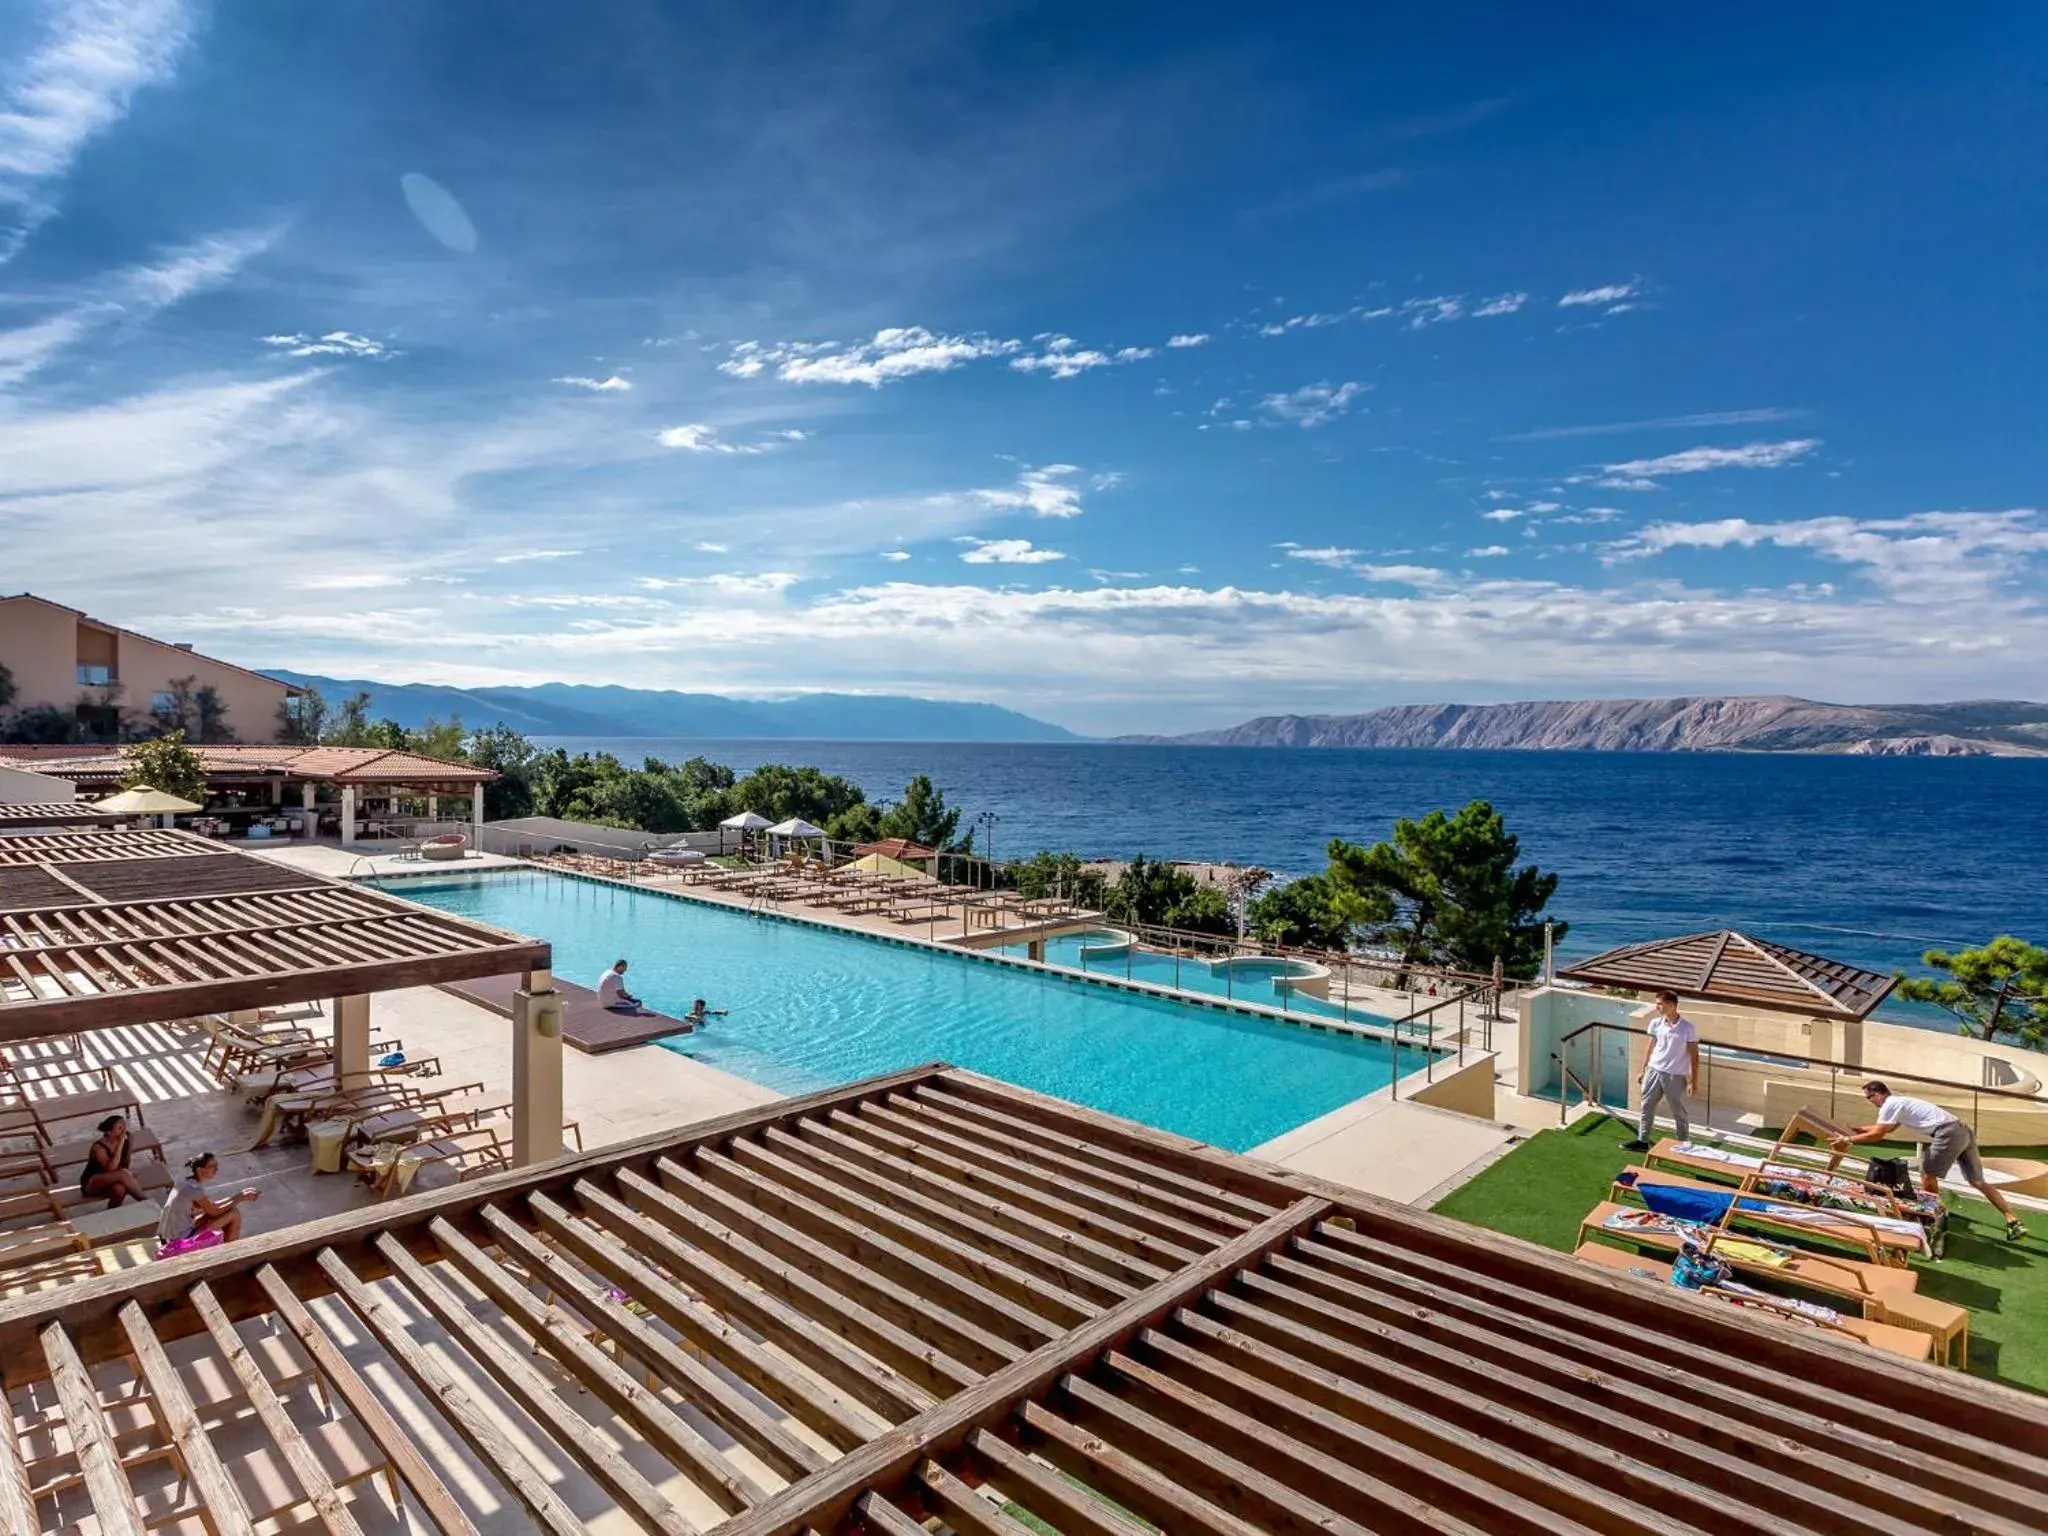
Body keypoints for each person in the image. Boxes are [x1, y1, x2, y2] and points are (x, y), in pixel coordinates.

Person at [1832, 1081, 2027, 1242]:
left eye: (1869, 1097)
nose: (1869, 1102)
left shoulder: (1890, 1104)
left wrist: (1848, 1139)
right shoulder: (1901, 1103)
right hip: (1962, 1131)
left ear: (1879, 1094)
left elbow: (1879, 1134)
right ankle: (2012, 1221)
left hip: (1948, 1133)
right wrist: (1860, 1129)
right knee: (1978, 1181)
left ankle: (1932, 1215)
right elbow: (1887, 1129)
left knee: (1927, 1172)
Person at [1621, 989, 1699, 1153]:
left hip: (1675, 1076)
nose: (1656, 1007)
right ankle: (1642, 1141)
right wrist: (1644, 1069)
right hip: (1654, 1070)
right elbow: (1650, 1047)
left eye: (1659, 1004)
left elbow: (1694, 1055)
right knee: (1647, 1106)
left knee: (1678, 1111)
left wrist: (1693, 1081)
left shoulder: (1687, 1028)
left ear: (1671, 1006)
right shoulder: (1655, 1023)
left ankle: (1683, 1143)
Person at [157, 1153, 261, 1250]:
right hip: (179, 1240)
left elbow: (211, 1207)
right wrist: (240, 1197)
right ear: (199, 1170)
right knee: (233, 1214)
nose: (216, 1169)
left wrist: (240, 1195)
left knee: (229, 1210)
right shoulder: (194, 1190)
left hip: (171, 1234)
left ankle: (229, 1246)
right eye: (213, 1166)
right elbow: (214, 1211)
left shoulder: (186, 1182)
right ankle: (231, 1251)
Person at [80, 1115, 146, 1209]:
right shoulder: (98, 1147)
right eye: (119, 1128)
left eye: (124, 1126)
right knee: (123, 1174)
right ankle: (146, 1201)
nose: (123, 1131)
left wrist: (127, 1178)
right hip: (93, 1182)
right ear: (109, 1132)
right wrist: (120, 1143)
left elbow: (126, 1161)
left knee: (120, 1189)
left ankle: (112, 1214)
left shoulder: (129, 1137)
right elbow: (111, 1168)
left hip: (114, 1178)